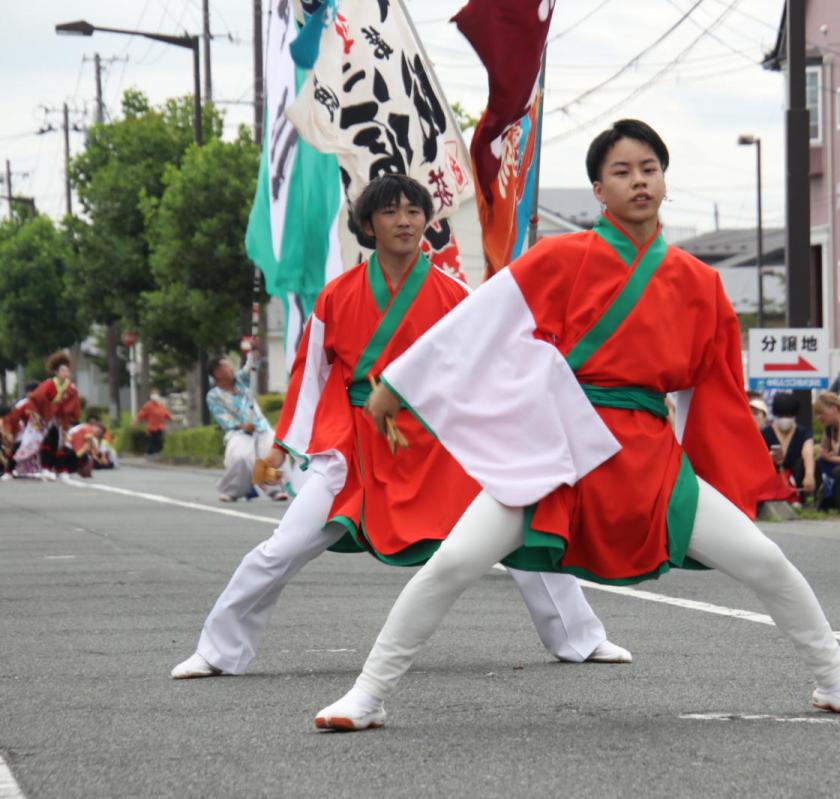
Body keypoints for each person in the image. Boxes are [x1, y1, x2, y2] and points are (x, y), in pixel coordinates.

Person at [312, 119, 840, 731]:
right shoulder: (561, 257)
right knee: (453, 562)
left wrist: (725, 473)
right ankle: (367, 694)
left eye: (649, 169)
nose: (639, 181)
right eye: (622, 171)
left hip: (647, 457)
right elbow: (479, 320)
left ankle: (836, 677)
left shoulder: (701, 282)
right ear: (598, 190)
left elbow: (714, 392)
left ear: (663, 181)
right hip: (556, 444)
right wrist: (400, 384)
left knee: (764, 560)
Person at [171, 174, 628, 683]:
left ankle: (580, 638)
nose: (405, 221)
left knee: (519, 527)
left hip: (441, 445)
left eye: (415, 211)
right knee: (282, 546)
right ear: (369, 225)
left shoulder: (456, 293)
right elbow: (310, 378)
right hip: (357, 449)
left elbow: (491, 365)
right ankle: (218, 650)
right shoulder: (336, 297)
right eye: (392, 212)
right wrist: (280, 452)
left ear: (428, 222)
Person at [206, 355, 287, 502]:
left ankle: (274, 489)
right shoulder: (213, 395)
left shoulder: (241, 381)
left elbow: (251, 366)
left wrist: (253, 350)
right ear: (217, 372)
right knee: (240, 457)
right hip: (237, 432)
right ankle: (233, 490)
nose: (231, 368)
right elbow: (222, 416)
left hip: (261, 428)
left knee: (271, 451)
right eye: (226, 366)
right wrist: (241, 426)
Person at [28, 352, 82, 478]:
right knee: (48, 443)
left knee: (61, 444)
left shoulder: (71, 387)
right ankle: (46, 468)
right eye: (63, 370)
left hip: (61, 419)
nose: (66, 373)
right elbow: (36, 397)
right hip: (48, 418)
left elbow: (74, 403)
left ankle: (61, 469)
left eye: (67, 371)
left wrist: (68, 413)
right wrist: (46, 412)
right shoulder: (48, 384)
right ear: (56, 372)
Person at [759, 392, 815, 504]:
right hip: (772, 476)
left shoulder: (803, 433)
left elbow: (808, 453)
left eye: (789, 415)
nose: (785, 419)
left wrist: (809, 474)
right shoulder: (765, 434)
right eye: (781, 415)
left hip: (795, 476)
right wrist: (771, 458)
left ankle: (798, 499)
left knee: (801, 463)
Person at [137, 391, 175, 456]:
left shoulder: (161, 406)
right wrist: (137, 421)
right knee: (152, 440)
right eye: (154, 395)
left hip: (160, 427)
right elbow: (142, 414)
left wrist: (171, 418)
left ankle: (158, 452)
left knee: (159, 440)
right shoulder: (148, 406)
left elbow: (166, 413)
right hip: (151, 427)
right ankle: (149, 453)